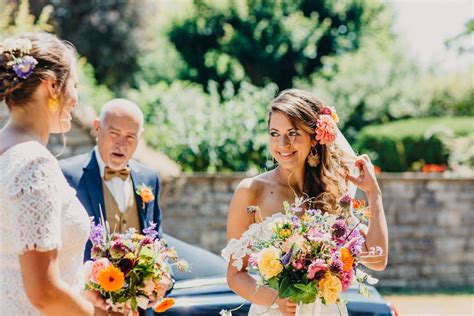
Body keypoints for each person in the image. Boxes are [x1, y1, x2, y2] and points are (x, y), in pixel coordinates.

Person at [223, 89, 388, 316]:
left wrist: (373, 194)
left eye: (293, 133)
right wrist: (277, 300)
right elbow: (235, 276)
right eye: (274, 133)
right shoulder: (251, 191)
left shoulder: (333, 193)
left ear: (314, 138)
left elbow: (377, 260)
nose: (282, 144)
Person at [0, 32, 109, 315]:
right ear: (51, 86)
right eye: (73, 86)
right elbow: (44, 292)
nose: (75, 99)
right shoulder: (33, 164)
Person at [60, 98, 172, 314]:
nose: (121, 144)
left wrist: (164, 278)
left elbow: (157, 238)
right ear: (96, 128)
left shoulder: (149, 177)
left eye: (130, 137)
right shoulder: (67, 174)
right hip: (86, 308)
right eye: (114, 133)